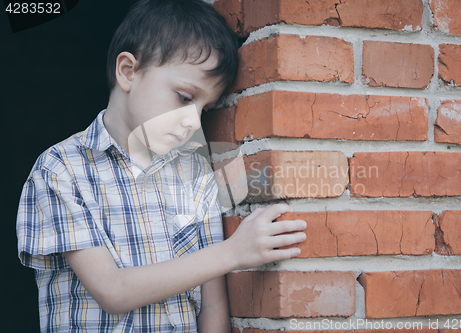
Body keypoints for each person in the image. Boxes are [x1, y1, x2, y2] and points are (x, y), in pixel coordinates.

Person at [15, 0, 307, 332]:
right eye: (184, 97)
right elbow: (113, 291)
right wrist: (235, 252)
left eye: (205, 109)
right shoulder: (61, 170)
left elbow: (212, 308)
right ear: (128, 72)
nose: (193, 120)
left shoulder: (195, 175)